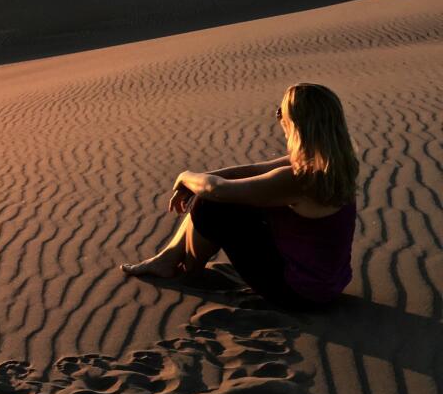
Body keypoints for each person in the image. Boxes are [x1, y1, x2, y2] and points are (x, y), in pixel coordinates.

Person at [121, 83, 359, 309]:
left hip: (299, 295)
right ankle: (169, 256)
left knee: (210, 204)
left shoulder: (299, 179)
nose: (278, 118)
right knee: (220, 194)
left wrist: (185, 176)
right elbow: (253, 171)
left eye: (281, 112)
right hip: (326, 287)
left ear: (296, 123)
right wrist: (200, 178)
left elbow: (217, 190)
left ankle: (191, 272)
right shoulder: (333, 165)